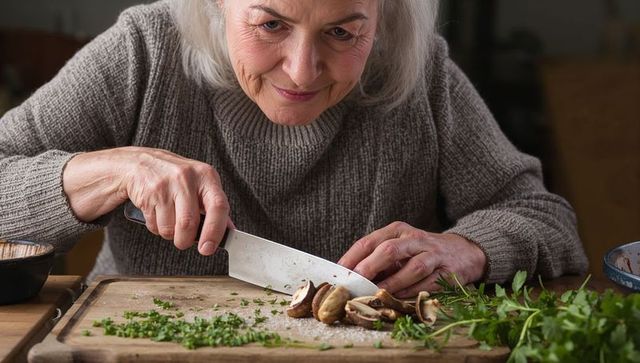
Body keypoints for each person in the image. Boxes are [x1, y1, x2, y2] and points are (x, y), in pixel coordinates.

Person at [0, 0, 588, 297]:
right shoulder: (142, 55)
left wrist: (469, 249)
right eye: (270, 25)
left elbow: (544, 219)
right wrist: (110, 171)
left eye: (343, 31)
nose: (302, 71)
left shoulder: (420, 71)